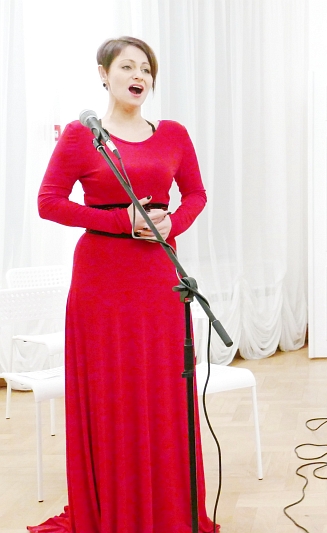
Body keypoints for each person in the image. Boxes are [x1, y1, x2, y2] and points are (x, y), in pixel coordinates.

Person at [32, 37, 218, 532]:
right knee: (111, 390)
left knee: (162, 385)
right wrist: (120, 221)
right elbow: (49, 202)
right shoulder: (82, 136)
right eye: (128, 66)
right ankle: (115, 506)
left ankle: (165, 504)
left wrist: (172, 224)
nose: (139, 76)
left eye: (146, 69)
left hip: (159, 276)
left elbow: (196, 194)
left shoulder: (174, 134)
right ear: (103, 74)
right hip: (101, 280)